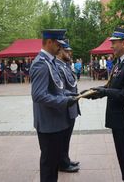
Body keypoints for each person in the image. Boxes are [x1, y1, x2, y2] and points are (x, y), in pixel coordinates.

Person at [86, 27, 124, 182]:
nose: (111, 46)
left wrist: (104, 92)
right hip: (117, 120)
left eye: (114, 43)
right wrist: (94, 92)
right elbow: (112, 86)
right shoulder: (119, 63)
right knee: (122, 157)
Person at [30, 29, 79, 182]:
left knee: (53, 163)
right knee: (49, 165)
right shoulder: (41, 64)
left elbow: (57, 89)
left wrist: (71, 95)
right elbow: (38, 95)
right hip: (48, 124)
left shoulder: (49, 62)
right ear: (49, 42)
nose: (60, 47)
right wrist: (64, 101)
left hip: (55, 122)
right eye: (58, 44)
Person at [56, 42, 80, 173]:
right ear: (60, 52)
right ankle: (63, 163)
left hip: (71, 105)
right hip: (65, 106)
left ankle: (66, 159)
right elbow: (62, 88)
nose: (69, 53)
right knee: (63, 137)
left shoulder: (65, 66)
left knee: (67, 137)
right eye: (67, 51)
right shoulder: (58, 67)